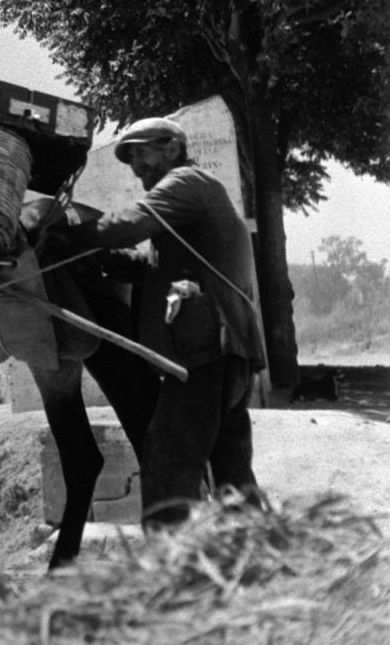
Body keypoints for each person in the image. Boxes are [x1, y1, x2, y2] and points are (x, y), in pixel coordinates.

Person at [65, 117, 267, 529]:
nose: (136, 164)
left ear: (173, 147)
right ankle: (253, 564)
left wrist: (68, 236)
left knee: (167, 464)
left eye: (142, 151)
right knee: (232, 473)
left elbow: (128, 224)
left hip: (203, 350)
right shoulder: (195, 197)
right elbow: (153, 268)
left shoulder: (186, 183)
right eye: (130, 157)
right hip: (229, 351)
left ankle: (170, 575)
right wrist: (102, 260)